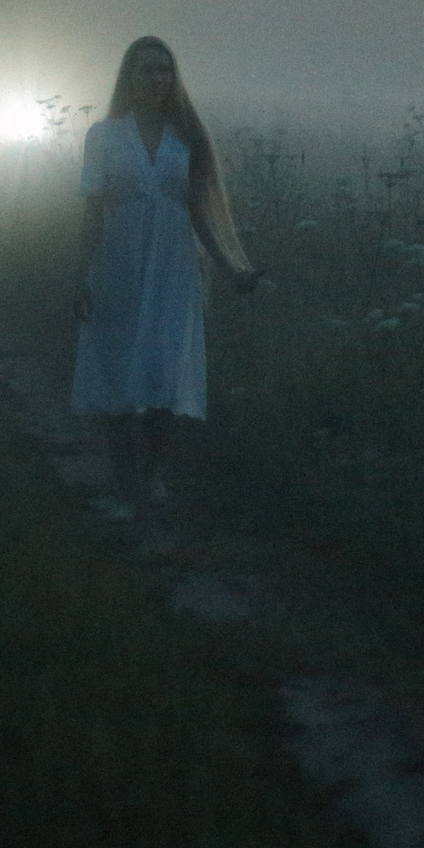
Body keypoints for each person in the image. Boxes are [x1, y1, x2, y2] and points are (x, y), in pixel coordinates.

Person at [71, 36, 262, 521]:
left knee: (162, 368)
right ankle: (124, 475)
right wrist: (78, 274)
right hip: (118, 262)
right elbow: (92, 210)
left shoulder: (188, 137)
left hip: (174, 265)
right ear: (128, 76)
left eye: (164, 70)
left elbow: (200, 213)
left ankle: (149, 472)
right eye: (146, 69)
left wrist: (229, 266)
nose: (157, 78)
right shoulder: (104, 136)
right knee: (115, 366)